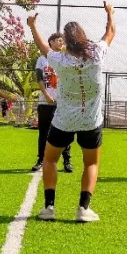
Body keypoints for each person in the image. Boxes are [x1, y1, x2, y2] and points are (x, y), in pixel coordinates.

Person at [28, 1, 115, 223]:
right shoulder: (96, 52)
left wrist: (32, 26)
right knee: (91, 163)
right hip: (90, 120)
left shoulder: (60, 59)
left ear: (66, 40)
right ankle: (83, 209)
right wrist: (110, 13)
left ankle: (49, 208)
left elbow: (42, 47)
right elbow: (110, 32)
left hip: (63, 119)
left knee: (49, 160)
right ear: (83, 36)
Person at [31, 35, 74, 173]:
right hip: (46, 103)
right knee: (44, 132)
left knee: (65, 132)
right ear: (51, 42)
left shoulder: (66, 59)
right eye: (59, 40)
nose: (62, 42)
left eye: (63, 40)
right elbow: (39, 78)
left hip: (63, 103)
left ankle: (67, 161)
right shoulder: (42, 59)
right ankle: (41, 160)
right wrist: (47, 95)